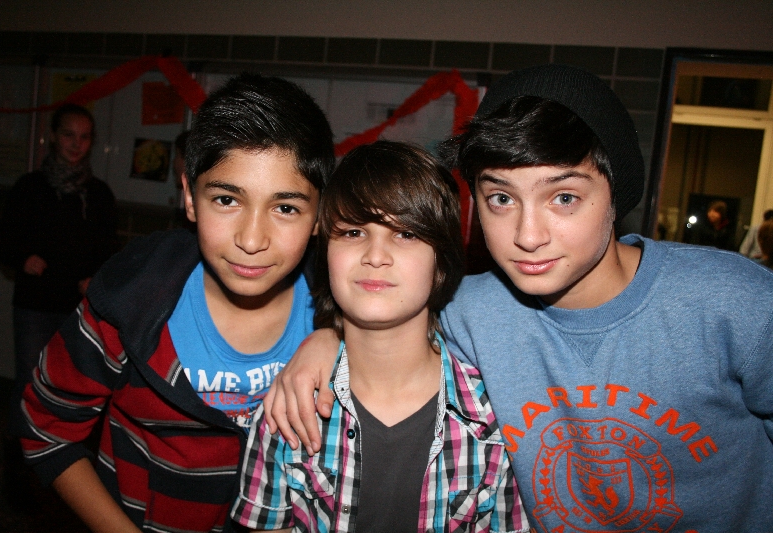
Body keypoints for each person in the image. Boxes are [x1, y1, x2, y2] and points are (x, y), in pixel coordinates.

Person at [264, 65, 773, 532]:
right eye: (502, 198)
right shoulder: (469, 310)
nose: (528, 235)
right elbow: (386, 320)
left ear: (616, 194)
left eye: (564, 198)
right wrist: (325, 340)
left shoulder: (736, 304)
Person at [17, 73, 335, 533]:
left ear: (320, 214)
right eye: (226, 199)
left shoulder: (342, 311)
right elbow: (45, 427)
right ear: (189, 197)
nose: (251, 240)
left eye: (285, 208)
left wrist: (335, 334)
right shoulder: (130, 302)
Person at [232, 141, 528, 533]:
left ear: (441, 262)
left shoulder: (497, 420)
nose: (375, 255)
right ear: (326, 254)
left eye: (405, 233)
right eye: (353, 232)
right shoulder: (288, 408)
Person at [0, 103, 117, 512]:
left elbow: (110, 252)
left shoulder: (98, 194)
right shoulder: (30, 187)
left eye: (84, 137)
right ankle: (18, 467)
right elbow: (4, 240)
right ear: (53, 137)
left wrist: (95, 277)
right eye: (69, 135)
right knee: (29, 380)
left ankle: (67, 468)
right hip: (35, 303)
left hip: (79, 310)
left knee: (75, 385)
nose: (76, 145)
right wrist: (23, 257)